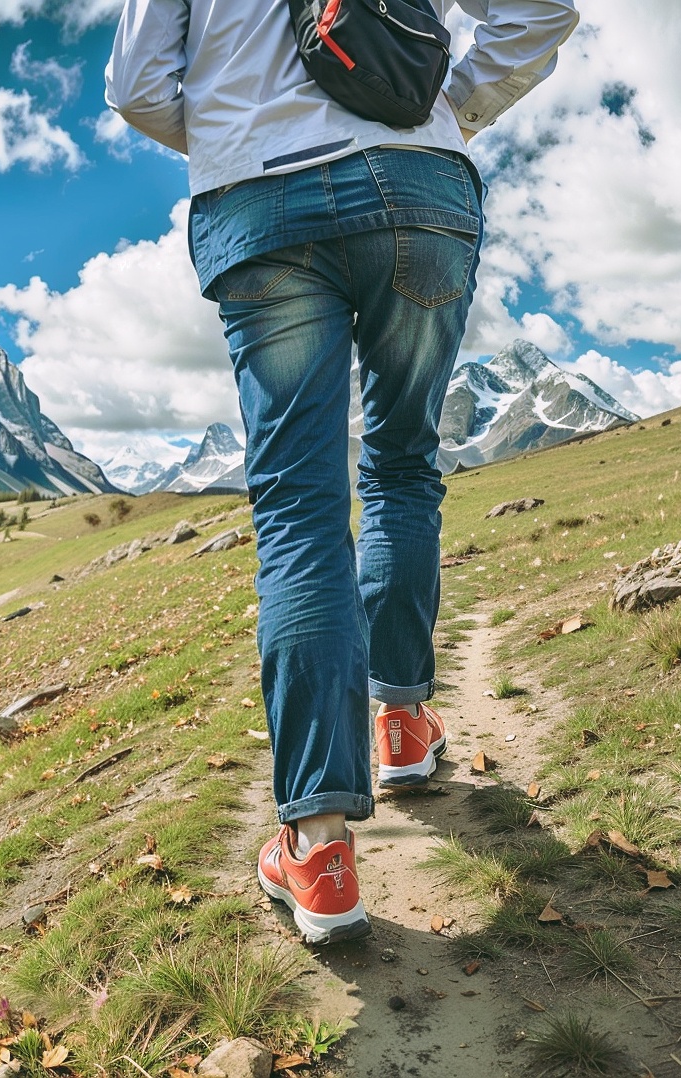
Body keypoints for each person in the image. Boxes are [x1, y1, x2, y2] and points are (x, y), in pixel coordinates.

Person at [107, 0, 579, 943]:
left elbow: (136, 88)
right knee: (403, 465)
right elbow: (540, 12)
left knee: (299, 512)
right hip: (418, 189)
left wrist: (244, 132)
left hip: (262, 205)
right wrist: (444, 111)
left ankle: (318, 847)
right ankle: (403, 726)